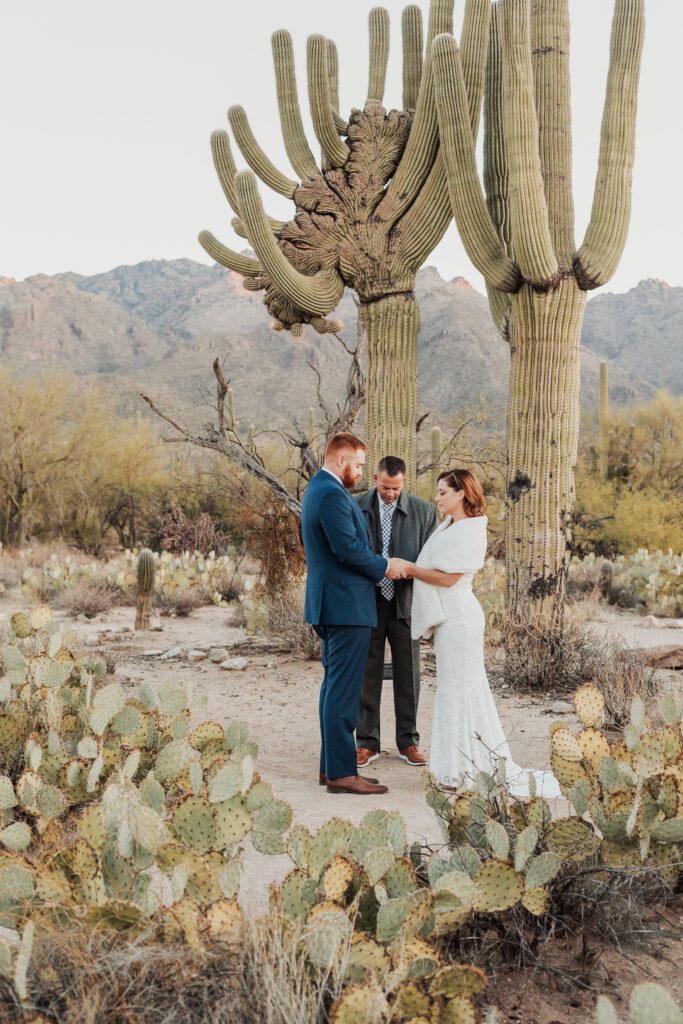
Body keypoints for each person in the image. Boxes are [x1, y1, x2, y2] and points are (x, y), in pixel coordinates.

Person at [400, 469, 561, 799]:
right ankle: (453, 767)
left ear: (460, 494)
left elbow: (447, 579)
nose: (438, 497)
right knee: (453, 688)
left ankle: (460, 769)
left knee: (459, 689)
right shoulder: (450, 526)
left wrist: (409, 567)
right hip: (451, 619)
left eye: (443, 492)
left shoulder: (471, 530)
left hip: (460, 618)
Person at [301, 432, 407, 795]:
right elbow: (347, 549)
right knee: (343, 693)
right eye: (359, 465)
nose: (361, 472)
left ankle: (331, 767)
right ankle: (342, 774)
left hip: (334, 602)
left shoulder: (320, 488)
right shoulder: (330, 493)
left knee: (334, 688)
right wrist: (385, 566)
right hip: (344, 606)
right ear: (341, 459)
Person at [355, 456, 439, 769]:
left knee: (409, 674)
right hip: (368, 601)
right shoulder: (356, 506)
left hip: (406, 603)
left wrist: (408, 570)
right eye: (385, 487)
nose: (390, 493)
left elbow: (431, 560)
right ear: (375, 478)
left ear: (404, 481)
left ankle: (408, 742)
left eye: (396, 487)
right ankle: (366, 743)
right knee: (367, 672)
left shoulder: (424, 511)